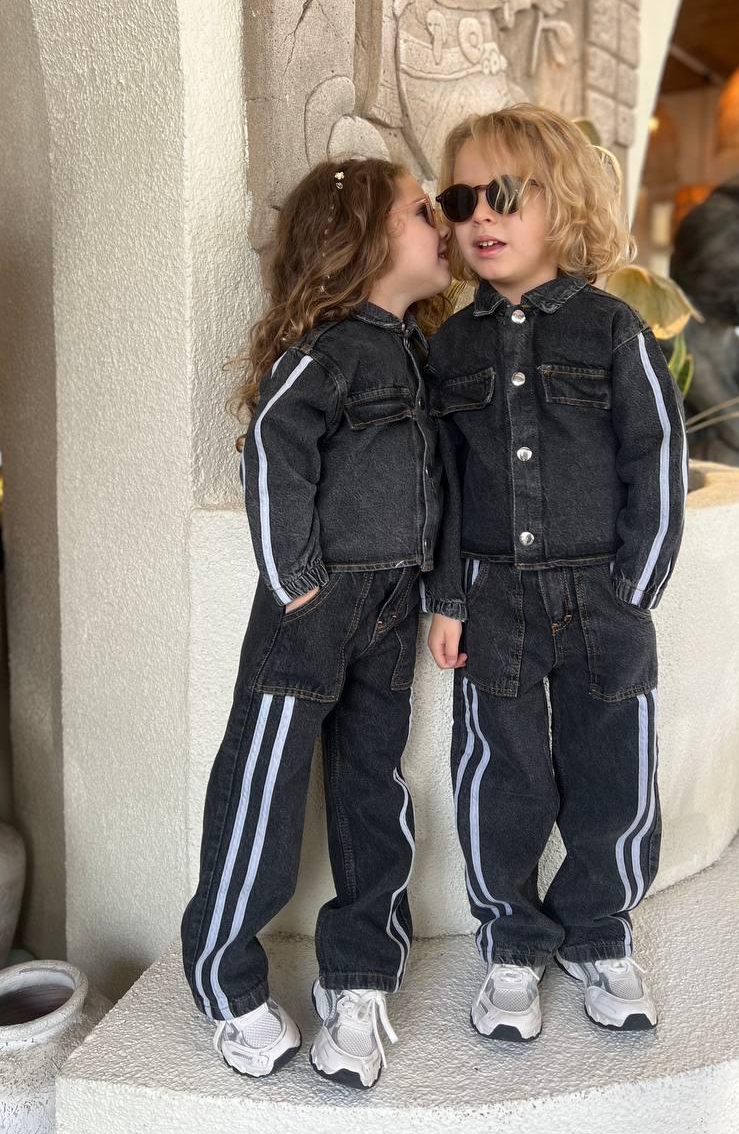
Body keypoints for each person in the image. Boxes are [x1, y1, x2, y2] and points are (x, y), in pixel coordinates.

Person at [181, 158, 452, 1089]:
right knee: (264, 784)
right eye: (422, 211)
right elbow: (273, 445)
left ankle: (361, 973)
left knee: (374, 786)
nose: (442, 223)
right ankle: (225, 978)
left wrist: (439, 589)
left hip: (392, 609)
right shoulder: (330, 350)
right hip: (313, 608)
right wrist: (295, 577)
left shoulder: (416, 353)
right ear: (363, 239)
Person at [423, 103, 687, 1042]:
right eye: (460, 202)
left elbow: (655, 458)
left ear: (562, 199)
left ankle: (601, 931)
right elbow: (444, 485)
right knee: (503, 774)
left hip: (602, 594)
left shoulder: (614, 330)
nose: (480, 217)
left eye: (504, 194)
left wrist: (635, 588)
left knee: (611, 766)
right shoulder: (448, 349)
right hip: (493, 597)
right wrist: (448, 598)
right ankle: (510, 941)